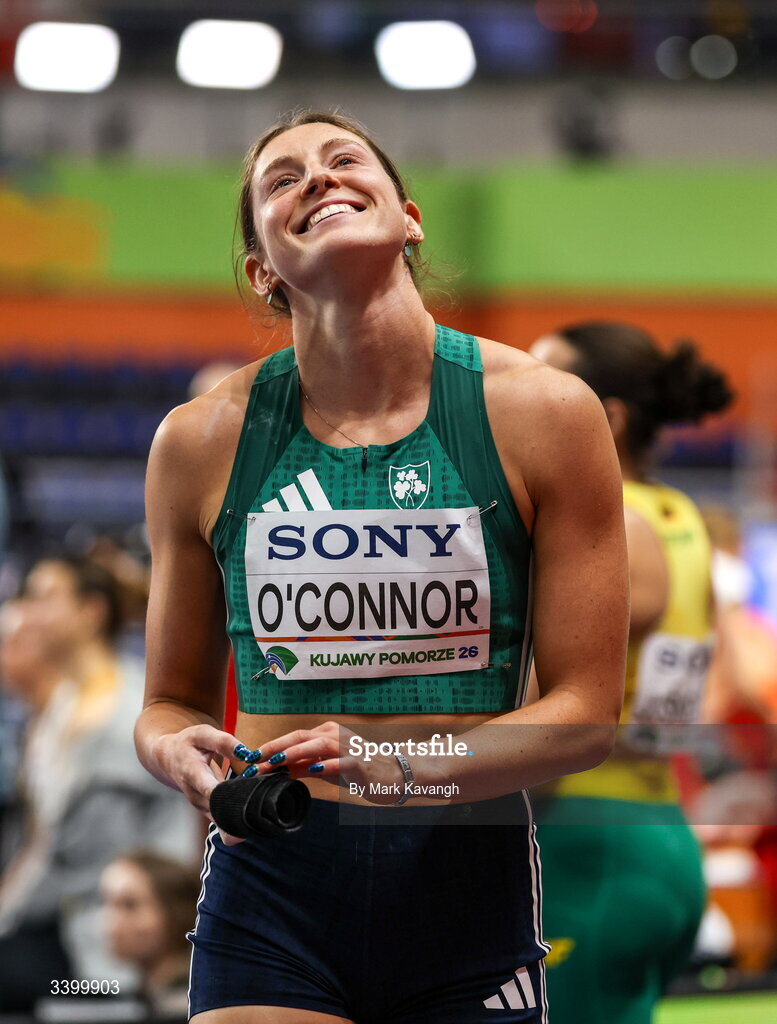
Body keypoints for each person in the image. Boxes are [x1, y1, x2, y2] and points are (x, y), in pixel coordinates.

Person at [134, 109, 630, 1024]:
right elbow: (168, 701)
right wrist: (172, 749)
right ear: (260, 269)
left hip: (463, 869)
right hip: (272, 875)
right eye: (282, 179)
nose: (316, 178)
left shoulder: (545, 415)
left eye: (341, 160)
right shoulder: (199, 441)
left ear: (407, 217)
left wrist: (397, 762)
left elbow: (583, 720)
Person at [529, 321, 734, 1024]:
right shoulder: (680, 517)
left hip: (587, 844)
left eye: (543, 383)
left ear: (607, 416)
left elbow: (541, 712)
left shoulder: (604, 522)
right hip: (659, 835)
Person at [0, 555, 200, 1013]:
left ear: (91, 611)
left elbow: (172, 856)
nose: (29, 611)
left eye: (45, 597)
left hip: (119, 956)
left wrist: (163, 961)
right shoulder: (55, 710)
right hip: (56, 925)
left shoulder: (136, 711)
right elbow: (42, 847)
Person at [101, 850, 202, 1019]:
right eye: (106, 902)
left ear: (176, 914)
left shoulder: (195, 1006)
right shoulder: (141, 998)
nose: (109, 922)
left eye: (130, 905)